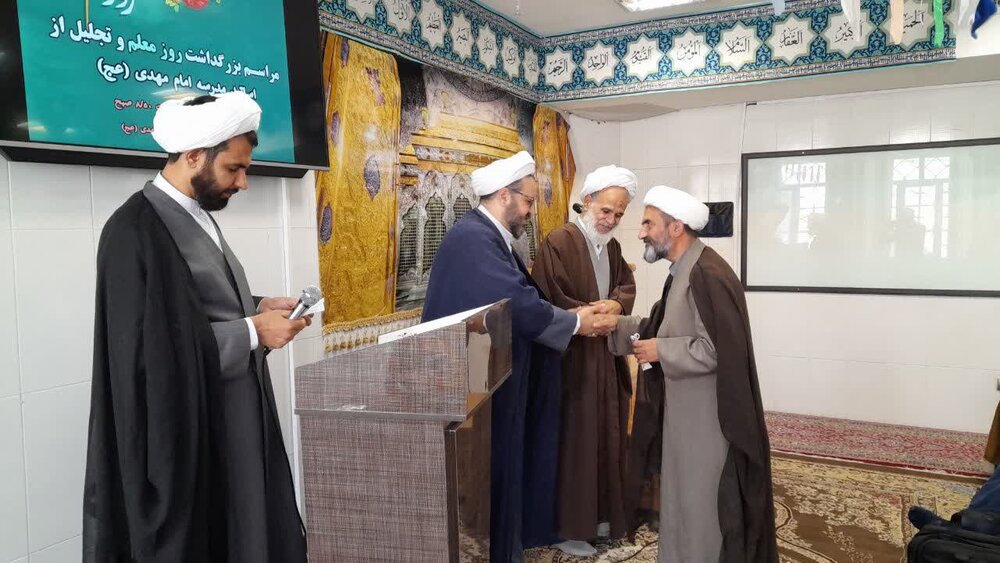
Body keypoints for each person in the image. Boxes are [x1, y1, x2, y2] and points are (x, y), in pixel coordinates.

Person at [83, 92, 309, 563]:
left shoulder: (196, 215)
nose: (243, 183)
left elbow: (189, 306)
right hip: (187, 439)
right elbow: (148, 352)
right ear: (192, 156)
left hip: (231, 420)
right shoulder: (133, 231)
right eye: (234, 169)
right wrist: (253, 332)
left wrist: (258, 306)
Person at [422, 151, 616, 562]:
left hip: (488, 375)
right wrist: (576, 323)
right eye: (527, 200)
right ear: (505, 196)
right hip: (474, 380)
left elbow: (521, 296)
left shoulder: (488, 237)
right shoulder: (474, 239)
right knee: (487, 473)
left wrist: (570, 317)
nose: (530, 211)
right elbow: (516, 300)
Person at [608, 185, 778, 562]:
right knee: (682, 499)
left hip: (707, 422)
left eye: (648, 224)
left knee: (701, 505)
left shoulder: (707, 275)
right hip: (685, 416)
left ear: (676, 228)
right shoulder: (684, 270)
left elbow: (715, 350)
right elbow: (660, 327)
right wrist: (613, 325)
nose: (641, 233)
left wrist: (661, 351)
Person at [532, 165, 637, 556]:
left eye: (619, 214)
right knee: (576, 443)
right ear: (587, 201)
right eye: (606, 210)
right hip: (571, 363)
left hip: (604, 359)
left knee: (607, 436)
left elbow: (624, 285)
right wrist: (590, 316)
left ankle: (602, 517)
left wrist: (616, 305)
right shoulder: (558, 241)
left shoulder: (611, 246)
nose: (610, 220)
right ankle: (568, 526)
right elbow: (550, 298)